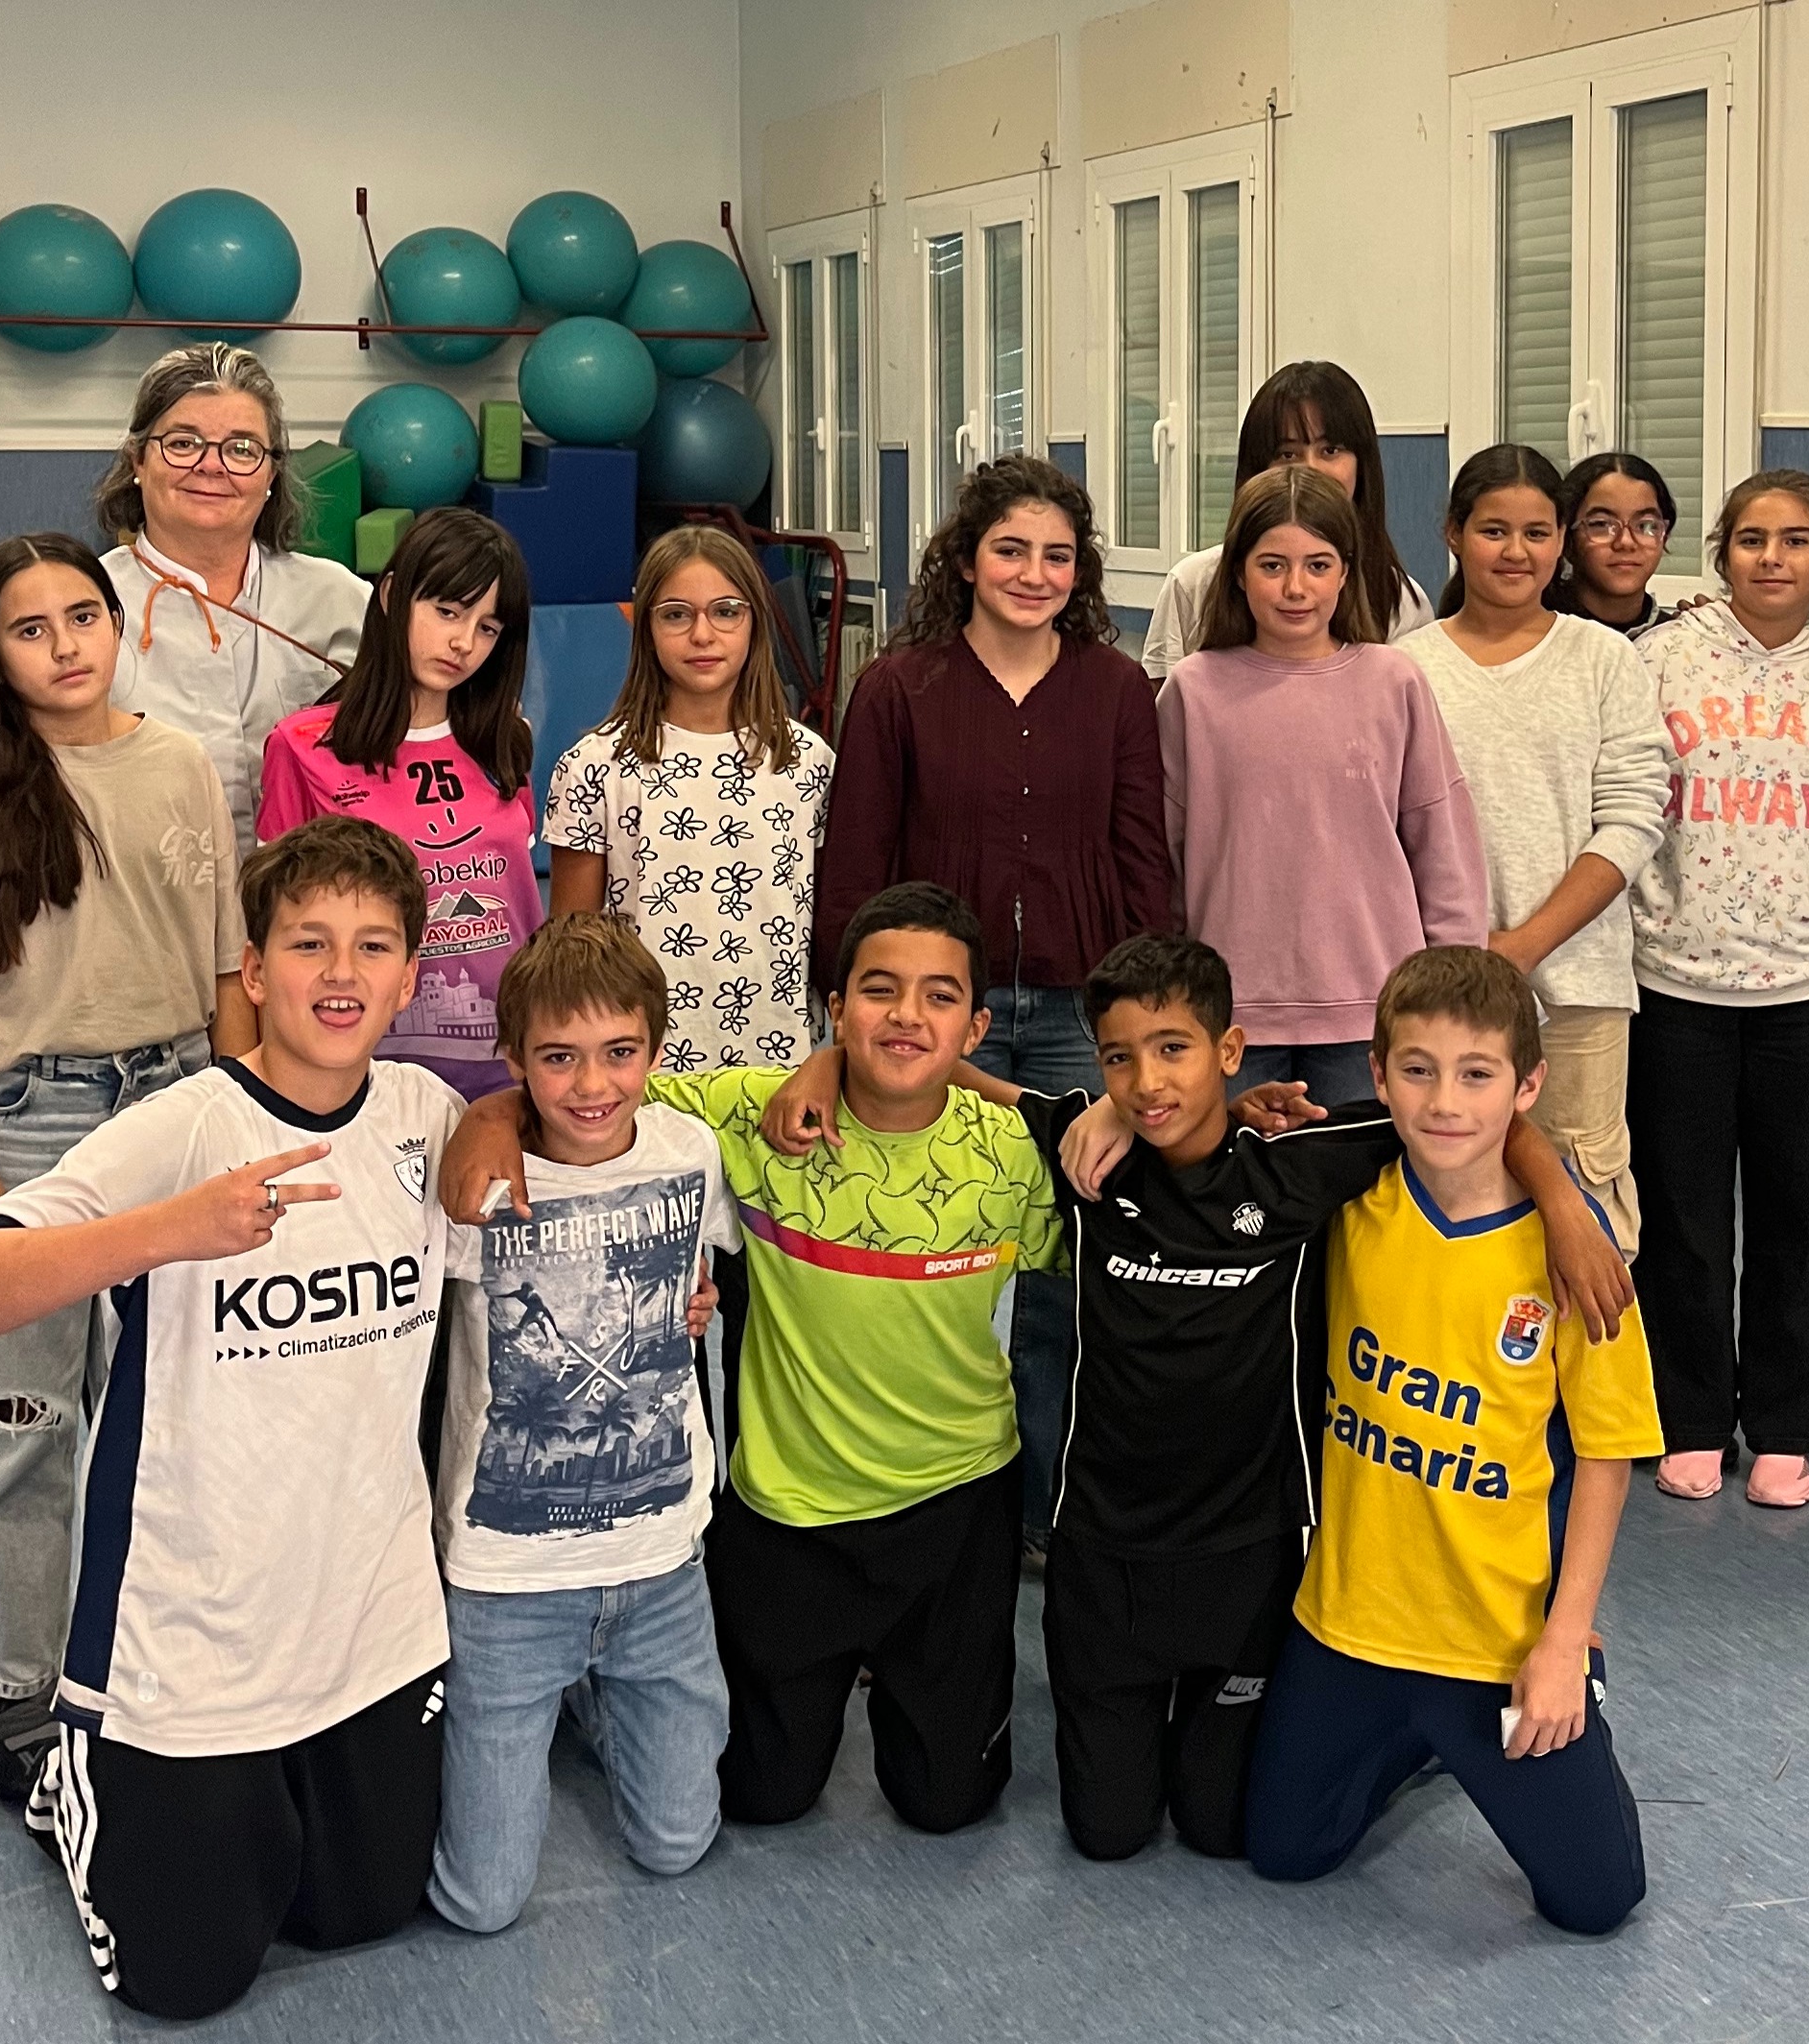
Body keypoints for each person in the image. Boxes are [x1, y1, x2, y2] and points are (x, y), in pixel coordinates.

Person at [763, 929, 1631, 1861]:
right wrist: (828, 1058)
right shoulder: (1091, 1158)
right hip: (1103, 1557)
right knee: (1108, 1832)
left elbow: (1467, 1114)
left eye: (1174, 1048)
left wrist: (1564, 1203)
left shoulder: (1296, 1165)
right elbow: (950, 1075)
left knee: (1224, 1832)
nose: (1148, 1081)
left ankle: (1393, 1740)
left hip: (1244, 1560)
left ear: (1229, 1049)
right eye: (1119, 1059)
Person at [0, 816, 460, 2020]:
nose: (342, 972)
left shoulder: (426, 1114)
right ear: (253, 971)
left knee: (365, 1910)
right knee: (181, 1980)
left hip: (368, 1624)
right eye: (308, 943)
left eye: (373, 946)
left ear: (411, 976)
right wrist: (170, 1230)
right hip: (186, 1640)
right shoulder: (192, 1127)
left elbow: (570, 1138)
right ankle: (62, 1768)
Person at [440, 881, 1065, 1833]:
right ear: (835, 1007)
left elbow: (1119, 1160)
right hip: (789, 1512)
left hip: (959, 1502)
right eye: (879, 989)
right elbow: (590, 1087)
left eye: (939, 996)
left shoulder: (1014, 1150)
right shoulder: (750, 1114)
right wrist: (490, 1116)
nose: (906, 1014)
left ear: (977, 1025)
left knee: (949, 1805)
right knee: (761, 1798)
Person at [0, 533, 253, 1801]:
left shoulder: (178, 766)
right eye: (31, 628)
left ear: (119, 625)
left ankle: (153, 1664)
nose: (67, 645)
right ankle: (15, 1684)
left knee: (171, 1408)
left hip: (175, 1100)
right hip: (32, 1122)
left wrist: (240, 1117)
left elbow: (229, 966)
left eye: (85, 615)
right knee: (24, 1419)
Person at [1243, 947, 1660, 1936]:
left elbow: (1608, 1455)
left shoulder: (1573, 1256)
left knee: (1595, 1902)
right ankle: (1414, 1739)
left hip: (1497, 1640)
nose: (1444, 1100)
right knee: (1286, 1851)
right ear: (1378, 1074)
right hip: (1347, 1621)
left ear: (1527, 1086)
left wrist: (1563, 1638)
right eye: (1418, 1069)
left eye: (1477, 1074)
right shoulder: (1348, 1198)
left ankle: (1566, 1685)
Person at [809, 453, 1171, 1561]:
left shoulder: (1117, 692)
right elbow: (855, 860)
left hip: (1073, 1015)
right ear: (966, 559)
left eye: (1057, 555)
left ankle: (1044, 1509)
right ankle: (918, 1496)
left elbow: (1143, 860)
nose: (1033, 572)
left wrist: (1147, 1024)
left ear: (1081, 572)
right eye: (1011, 549)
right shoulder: (898, 688)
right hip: (926, 1025)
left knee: (1061, 1275)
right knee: (921, 1254)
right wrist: (847, 1014)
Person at [426, 915, 736, 1933]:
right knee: (481, 1900)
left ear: (655, 1048)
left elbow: (698, 1277)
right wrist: (490, 1114)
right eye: (558, 1057)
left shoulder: (690, 1150)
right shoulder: (472, 1178)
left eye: (619, 1052)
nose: (592, 1084)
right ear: (515, 1059)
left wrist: (696, 1302)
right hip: (508, 1583)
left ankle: (592, 1693)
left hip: (659, 1564)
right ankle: (559, 1687)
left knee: (679, 1841)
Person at [1626, 470, 1809, 1507]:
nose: (1771, 558)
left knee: (1800, 1216)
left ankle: (1788, 1423)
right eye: (1750, 539)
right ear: (1722, 552)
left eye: (1795, 540)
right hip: (1675, 979)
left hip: (1804, 983)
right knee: (1682, 1215)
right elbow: (1628, 807)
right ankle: (1686, 1414)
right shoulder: (1662, 658)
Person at [0, 344, 372, 850]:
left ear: (272, 473)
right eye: (183, 443)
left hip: (319, 894)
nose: (212, 465)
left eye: (242, 449)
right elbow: (4, 747)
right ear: (137, 459)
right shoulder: (78, 609)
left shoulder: (340, 602)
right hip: (134, 893)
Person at [1400, 443, 1672, 1251]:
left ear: (1562, 542)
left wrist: (1522, 945)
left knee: (1583, 1217)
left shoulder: (1604, 659)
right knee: (1448, 1203)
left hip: (1579, 989)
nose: (1515, 552)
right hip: (1434, 988)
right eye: (1494, 530)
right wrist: (1457, 953)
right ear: (1453, 533)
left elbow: (1632, 819)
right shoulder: (1403, 668)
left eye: (1537, 532)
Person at [1158, 465, 1489, 1104]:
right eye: (1272, 565)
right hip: (1227, 1014)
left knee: (1364, 1170)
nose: (1295, 588)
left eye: (1317, 565)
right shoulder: (1193, 691)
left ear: (1345, 573)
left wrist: (1456, 988)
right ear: (1237, 572)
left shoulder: (1394, 681)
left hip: (1377, 1009)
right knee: (1240, 1172)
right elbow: (1165, 858)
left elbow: (1442, 848)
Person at [256, 508, 542, 1097]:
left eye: (488, 628)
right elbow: (274, 930)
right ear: (391, 596)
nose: (463, 642)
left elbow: (520, 904)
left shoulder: (507, 741)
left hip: (512, 1068)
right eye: (447, 611)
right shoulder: (302, 747)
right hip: (362, 1074)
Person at [549, 523, 835, 1076]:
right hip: (643, 1068)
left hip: (781, 1062)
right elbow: (571, 947)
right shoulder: (595, 765)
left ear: (755, 621)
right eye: (676, 615)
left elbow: (825, 922)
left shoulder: (808, 762)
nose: (703, 634)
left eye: (726, 612)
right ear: (647, 629)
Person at [1139, 361, 1435, 678]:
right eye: (1288, 454)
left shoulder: (1401, 600)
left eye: (1330, 450)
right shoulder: (1193, 584)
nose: (1310, 470)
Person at [1551, 452, 1680, 638]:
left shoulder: (1675, 639)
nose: (1626, 542)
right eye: (1601, 524)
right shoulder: (1539, 632)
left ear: (1664, 536)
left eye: (1645, 525)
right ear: (1566, 539)